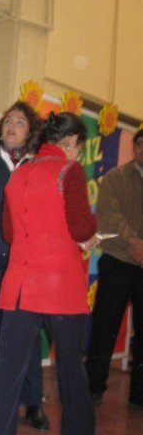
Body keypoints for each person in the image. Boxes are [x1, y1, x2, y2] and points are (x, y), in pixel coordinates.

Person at [0, 111, 105, 435]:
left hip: (20, 283)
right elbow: (81, 227)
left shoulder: (18, 174)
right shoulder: (69, 171)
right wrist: (89, 234)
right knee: (71, 367)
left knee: (6, 370)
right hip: (59, 284)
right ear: (71, 142)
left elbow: (8, 233)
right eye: (78, 147)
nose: (78, 154)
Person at [0, 101, 50, 429]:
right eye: (7, 122)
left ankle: (32, 401)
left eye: (19, 122)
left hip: (28, 258)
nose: (11, 126)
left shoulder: (39, 166)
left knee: (27, 326)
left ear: (31, 131)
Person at [85, 129, 143, 408]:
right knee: (105, 328)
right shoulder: (115, 178)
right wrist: (137, 245)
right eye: (140, 144)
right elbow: (108, 218)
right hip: (118, 260)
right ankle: (93, 387)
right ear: (134, 147)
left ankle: (139, 395)